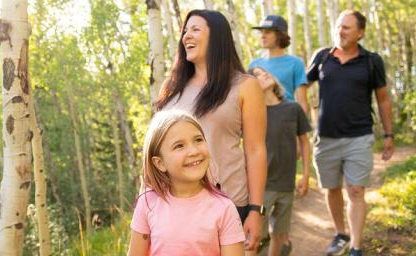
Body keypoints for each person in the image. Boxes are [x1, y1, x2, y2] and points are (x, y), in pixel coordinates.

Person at [155, 9, 268, 252]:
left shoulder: (245, 86)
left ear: (217, 37)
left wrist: (256, 210)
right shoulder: (171, 87)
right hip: (174, 205)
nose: (186, 36)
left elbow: (255, 150)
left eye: (195, 29)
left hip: (228, 203)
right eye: (185, 31)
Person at [303, 10, 393, 256]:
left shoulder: (371, 61)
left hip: (359, 137)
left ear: (360, 33)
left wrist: (389, 134)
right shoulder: (322, 57)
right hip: (326, 138)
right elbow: (302, 85)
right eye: (338, 26)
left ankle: (356, 246)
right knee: (331, 189)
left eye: (346, 28)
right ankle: (340, 234)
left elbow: (383, 100)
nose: (339, 31)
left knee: (355, 191)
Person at [127, 110, 245, 256]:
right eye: (179, 146)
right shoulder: (147, 203)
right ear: (160, 163)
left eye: (198, 140)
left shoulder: (224, 208)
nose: (193, 151)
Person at [250, 67, 312, 256]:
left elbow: (304, 141)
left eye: (264, 72)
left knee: (280, 233)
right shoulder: (253, 113)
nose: (265, 74)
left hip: (287, 184)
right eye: (257, 75)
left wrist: (306, 175)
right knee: (255, 236)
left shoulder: (293, 108)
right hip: (262, 186)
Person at [248, 15, 309, 114]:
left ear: (280, 35)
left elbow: (302, 102)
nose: (262, 36)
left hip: (287, 119)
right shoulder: (254, 65)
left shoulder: (296, 63)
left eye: (267, 32)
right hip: (262, 119)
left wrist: (303, 128)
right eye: (261, 32)